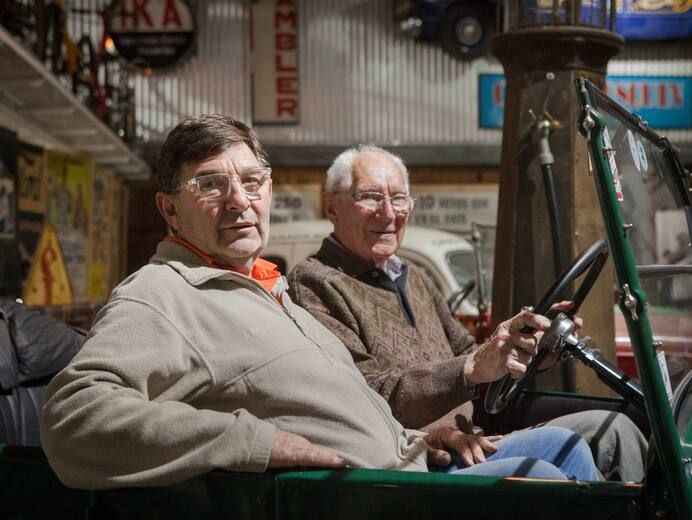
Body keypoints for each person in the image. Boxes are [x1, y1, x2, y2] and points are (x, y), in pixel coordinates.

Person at [39, 115, 600, 490]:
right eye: (210, 186)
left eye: (252, 182)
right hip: (370, 497)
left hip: (409, 463)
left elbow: (355, 404)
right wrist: (252, 441)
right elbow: (73, 420)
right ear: (168, 209)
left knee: (569, 446)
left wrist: (421, 437)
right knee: (554, 481)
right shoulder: (163, 292)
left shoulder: (270, 286)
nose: (240, 201)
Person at [287, 145, 648, 483]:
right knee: (549, 462)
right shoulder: (316, 281)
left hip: (475, 439)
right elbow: (362, 396)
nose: (389, 212)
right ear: (331, 206)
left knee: (617, 428)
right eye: (370, 197)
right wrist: (446, 409)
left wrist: (526, 350)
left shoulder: (415, 277)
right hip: (415, 461)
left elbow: (468, 356)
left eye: (398, 198)